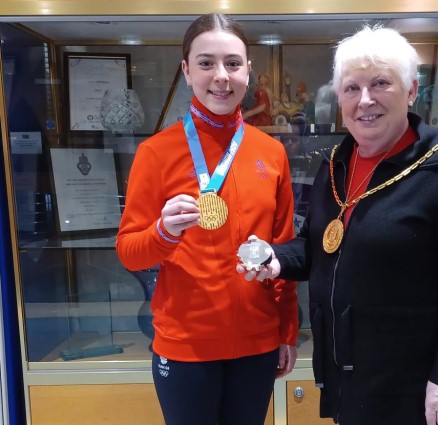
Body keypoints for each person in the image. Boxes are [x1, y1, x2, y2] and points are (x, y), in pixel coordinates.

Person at [238, 25, 438, 425]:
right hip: (345, 374)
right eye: (352, 88)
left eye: (380, 84)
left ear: (410, 91)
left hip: (411, 385)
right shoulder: (335, 164)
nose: (365, 100)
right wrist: (275, 258)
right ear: (339, 97)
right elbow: (317, 245)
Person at [116, 13, 298, 425]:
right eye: (206, 63)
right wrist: (163, 233)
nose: (221, 76)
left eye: (233, 63)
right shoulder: (156, 153)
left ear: (249, 71)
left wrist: (287, 329)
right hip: (186, 346)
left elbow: (284, 250)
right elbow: (129, 252)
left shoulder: (271, 153)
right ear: (186, 70)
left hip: (257, 343)